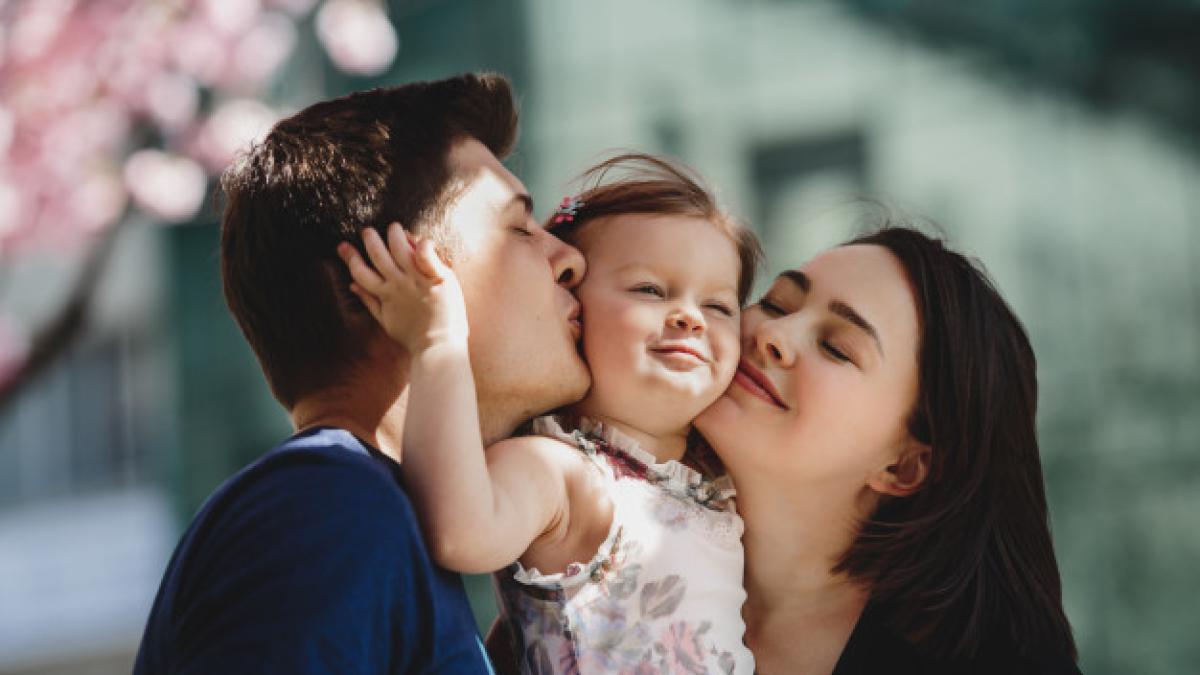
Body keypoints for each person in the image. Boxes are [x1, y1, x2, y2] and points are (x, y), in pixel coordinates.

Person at [134, 73, 590, 673]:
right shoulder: (327, 509)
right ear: (376, 278)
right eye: (519, 228)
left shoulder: (362, 511)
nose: (570, 259)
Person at [339, 154, 763, 674]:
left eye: (719, 306)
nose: (689, 316)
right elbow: (460, 534)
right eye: (649, 290)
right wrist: (436, 342)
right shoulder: (561, 470)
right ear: (574, 311)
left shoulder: (719, 480)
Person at [695, 224, 1081, 674]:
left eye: (837, 348)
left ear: (905, 466)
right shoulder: (619, 533)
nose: (774, 334)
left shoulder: (996, 663)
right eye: (776, 302)